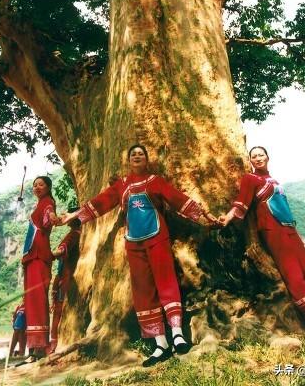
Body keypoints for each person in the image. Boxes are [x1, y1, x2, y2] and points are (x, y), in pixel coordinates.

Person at [58, 144, 218, 367]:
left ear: (146, 159)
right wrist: (75, 215)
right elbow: (101, 202)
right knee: (143, 290)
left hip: (158, 238)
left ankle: (178, 336)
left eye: (140, 154)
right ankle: (160, 344)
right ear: (128, 160)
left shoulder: (155, 181)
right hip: (134, 244)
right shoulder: (121, 185)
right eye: (133, 154)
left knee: (167, 283)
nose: (136, 156)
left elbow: (177, 198)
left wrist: (204, 214)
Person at [218, 147, 305, 331]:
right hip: (272, 229)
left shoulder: (273, 180)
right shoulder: (251, 179)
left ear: (268, 157)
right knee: (293, 272)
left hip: (289, 228)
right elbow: (241, 203)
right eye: (254, 156)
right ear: (250, 160)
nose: (258, 158)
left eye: (261, 155)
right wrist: (228, 217)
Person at [22, 175, 57, 359]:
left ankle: (41, 347)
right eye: (34, 185)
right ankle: (34, 348)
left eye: (41, 184)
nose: (36, 187)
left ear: (48, 187)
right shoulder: (38, 204)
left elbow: (48, 214)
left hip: (39, 255)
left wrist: (52, 217)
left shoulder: (47, 202)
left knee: (38, 299)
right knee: (31, 300)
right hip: (30, 256)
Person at [49, 214, 81, 353]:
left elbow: (63, 248)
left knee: (59, 311)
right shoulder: (78, 234)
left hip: (68, 278)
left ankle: (54, 343)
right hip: (66, 276)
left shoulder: (74, 235)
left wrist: (51, 255)